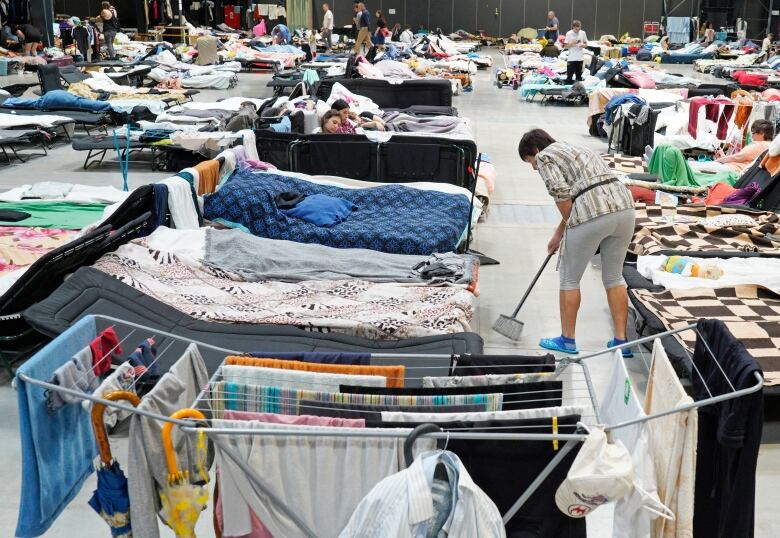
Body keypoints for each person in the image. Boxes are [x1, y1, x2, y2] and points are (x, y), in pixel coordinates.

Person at [518, 129, 636, 356]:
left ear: (535, 150)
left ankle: (567, 340)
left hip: (593, 213)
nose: (534, 167)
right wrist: (559, 233)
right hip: (625, 208)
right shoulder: (579, 149)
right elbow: (578, 199)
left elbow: (562, 196)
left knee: (569, 277)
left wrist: (566, 230)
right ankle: (622, 343)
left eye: (530, 162)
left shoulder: (545, 156)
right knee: (614, 276)